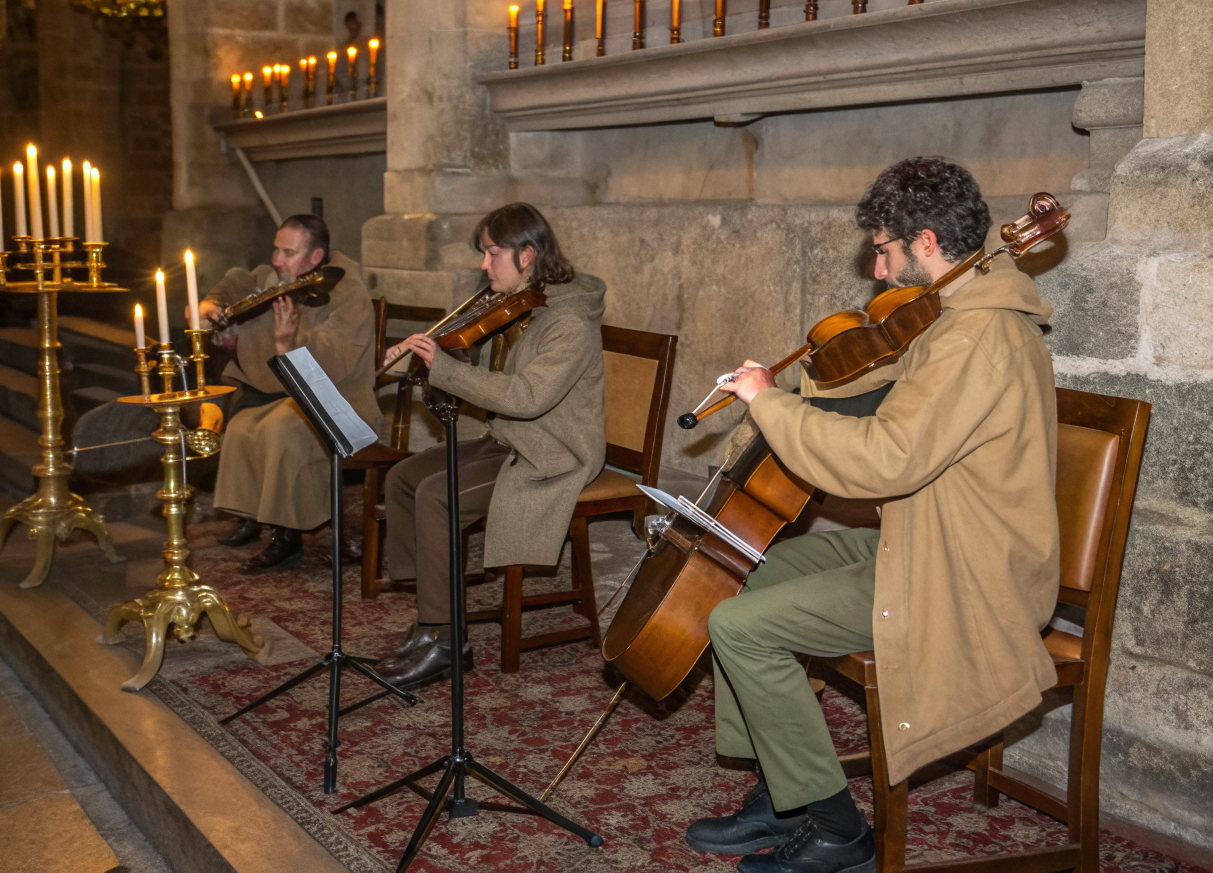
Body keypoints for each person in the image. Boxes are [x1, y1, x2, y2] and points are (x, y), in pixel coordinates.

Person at [689, 157, 1060, 873]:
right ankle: (785, 792)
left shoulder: (977, 337)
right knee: (738, 572)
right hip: (921, 536)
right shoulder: (954, 315)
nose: (879, 271)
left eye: (883, 250)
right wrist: (800, 383)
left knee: (738, 627)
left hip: (962, 571)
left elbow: (886, 460)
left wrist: (770, 404)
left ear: (925, 243)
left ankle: (836, 829)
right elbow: (877, 385)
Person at [371, 202, 606, 688]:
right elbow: (481, 364)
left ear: (527, 254)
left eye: (491, 253)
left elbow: (527, 397)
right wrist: (424, 355)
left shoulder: (569, 323)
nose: (483, 265)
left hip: (552, 452)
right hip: (510, 438)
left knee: (437, 496)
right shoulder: (519, 301)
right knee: (402, 479)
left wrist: (446, 368)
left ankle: (448, 643)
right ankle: (432, 615)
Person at [199, 214, 379, 571]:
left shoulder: (348, 291)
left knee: (281, 427)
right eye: (276, 249)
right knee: (242, 424)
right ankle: (253, 515)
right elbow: (239, 281)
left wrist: (289, 341)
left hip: (336, 397)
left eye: (288, 252)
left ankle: (287, 535)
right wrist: (211, 304)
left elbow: (336, 357)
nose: (277, 260)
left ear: (316, 258)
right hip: (286, 392)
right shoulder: (276, 277)